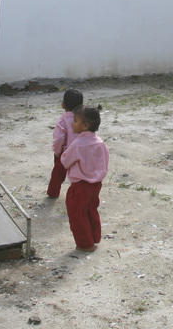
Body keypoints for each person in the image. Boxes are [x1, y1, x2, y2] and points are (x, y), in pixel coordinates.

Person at [60, 106, 108, 252]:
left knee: (77, 214)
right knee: (91, 210)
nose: (72, 123)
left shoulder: (78, 144)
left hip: (80, 186)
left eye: (75, 121)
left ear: (85, 125)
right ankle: (94, 237)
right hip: (96, 185)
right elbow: (104, 163)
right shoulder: (100, 143)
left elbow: (65, 161)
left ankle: (86, 244)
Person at [46, 89, 83, 198]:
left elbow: (59, 139)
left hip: (65, 152)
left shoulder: (63, 120)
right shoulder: (83, 118)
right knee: (79, 175)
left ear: (64, 104)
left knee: (58, 175)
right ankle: (79, 194)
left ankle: (53, 192)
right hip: (80, 151)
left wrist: (57, 152)